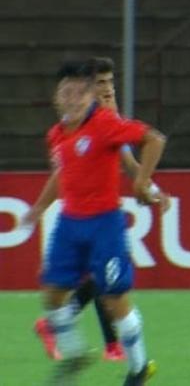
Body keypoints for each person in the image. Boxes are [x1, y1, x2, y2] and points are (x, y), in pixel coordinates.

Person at [21, 60, 165, 385]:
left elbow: (154, 139)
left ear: (90, 98)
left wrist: (144, 182)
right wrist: (40, 207)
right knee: (53, 294)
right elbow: (63, 174)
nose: (73, 99)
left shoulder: (104, 124)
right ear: (56, 98)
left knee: (115, 300)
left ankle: (139, 367)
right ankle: (75, 355)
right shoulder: (55, 135)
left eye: (79, 93)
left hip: (105, 224)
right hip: (69, 224)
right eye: (66, 93)